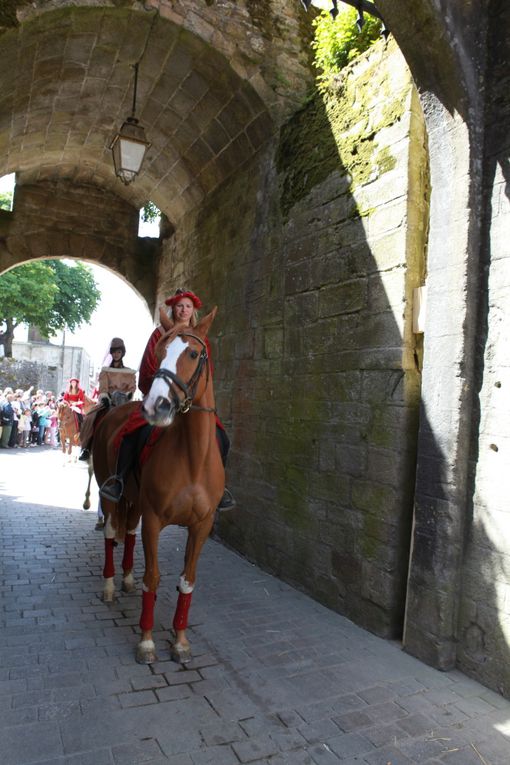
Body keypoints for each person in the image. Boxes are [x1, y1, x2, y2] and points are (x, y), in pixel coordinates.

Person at [99, 289, 235, 510]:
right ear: (173, 309)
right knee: (132, 432)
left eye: (188, 306)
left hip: (190, 402)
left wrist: (193, 396)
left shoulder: (200, 337)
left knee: (222, 437)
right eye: (180, 306)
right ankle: (119, 481)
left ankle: (220, 488)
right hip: (162, 396)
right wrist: (164, 390)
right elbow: (147, 369)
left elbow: (205, 373)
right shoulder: (159, 334)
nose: (183, 310)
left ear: (193, 311)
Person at [79, 337, 136, 462]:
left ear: (122, 353)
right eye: (114, 352)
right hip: (108, 400)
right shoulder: (105, 371)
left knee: (138, 419)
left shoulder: (129, 372)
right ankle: (87, 448)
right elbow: (103, 388)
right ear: (111, 353)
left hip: (124, 402)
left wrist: (127, 396)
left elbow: (132, 388)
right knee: (91, 416)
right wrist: (104, 397)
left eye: (118, 352)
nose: (116, 354)